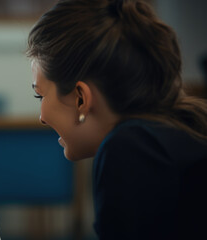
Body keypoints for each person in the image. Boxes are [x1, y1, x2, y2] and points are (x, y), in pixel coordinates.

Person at [26, 0, 207, 239]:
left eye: (40, 95)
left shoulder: (129, 150)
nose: (41, 118)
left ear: (81, 98)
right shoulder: (183, 131)